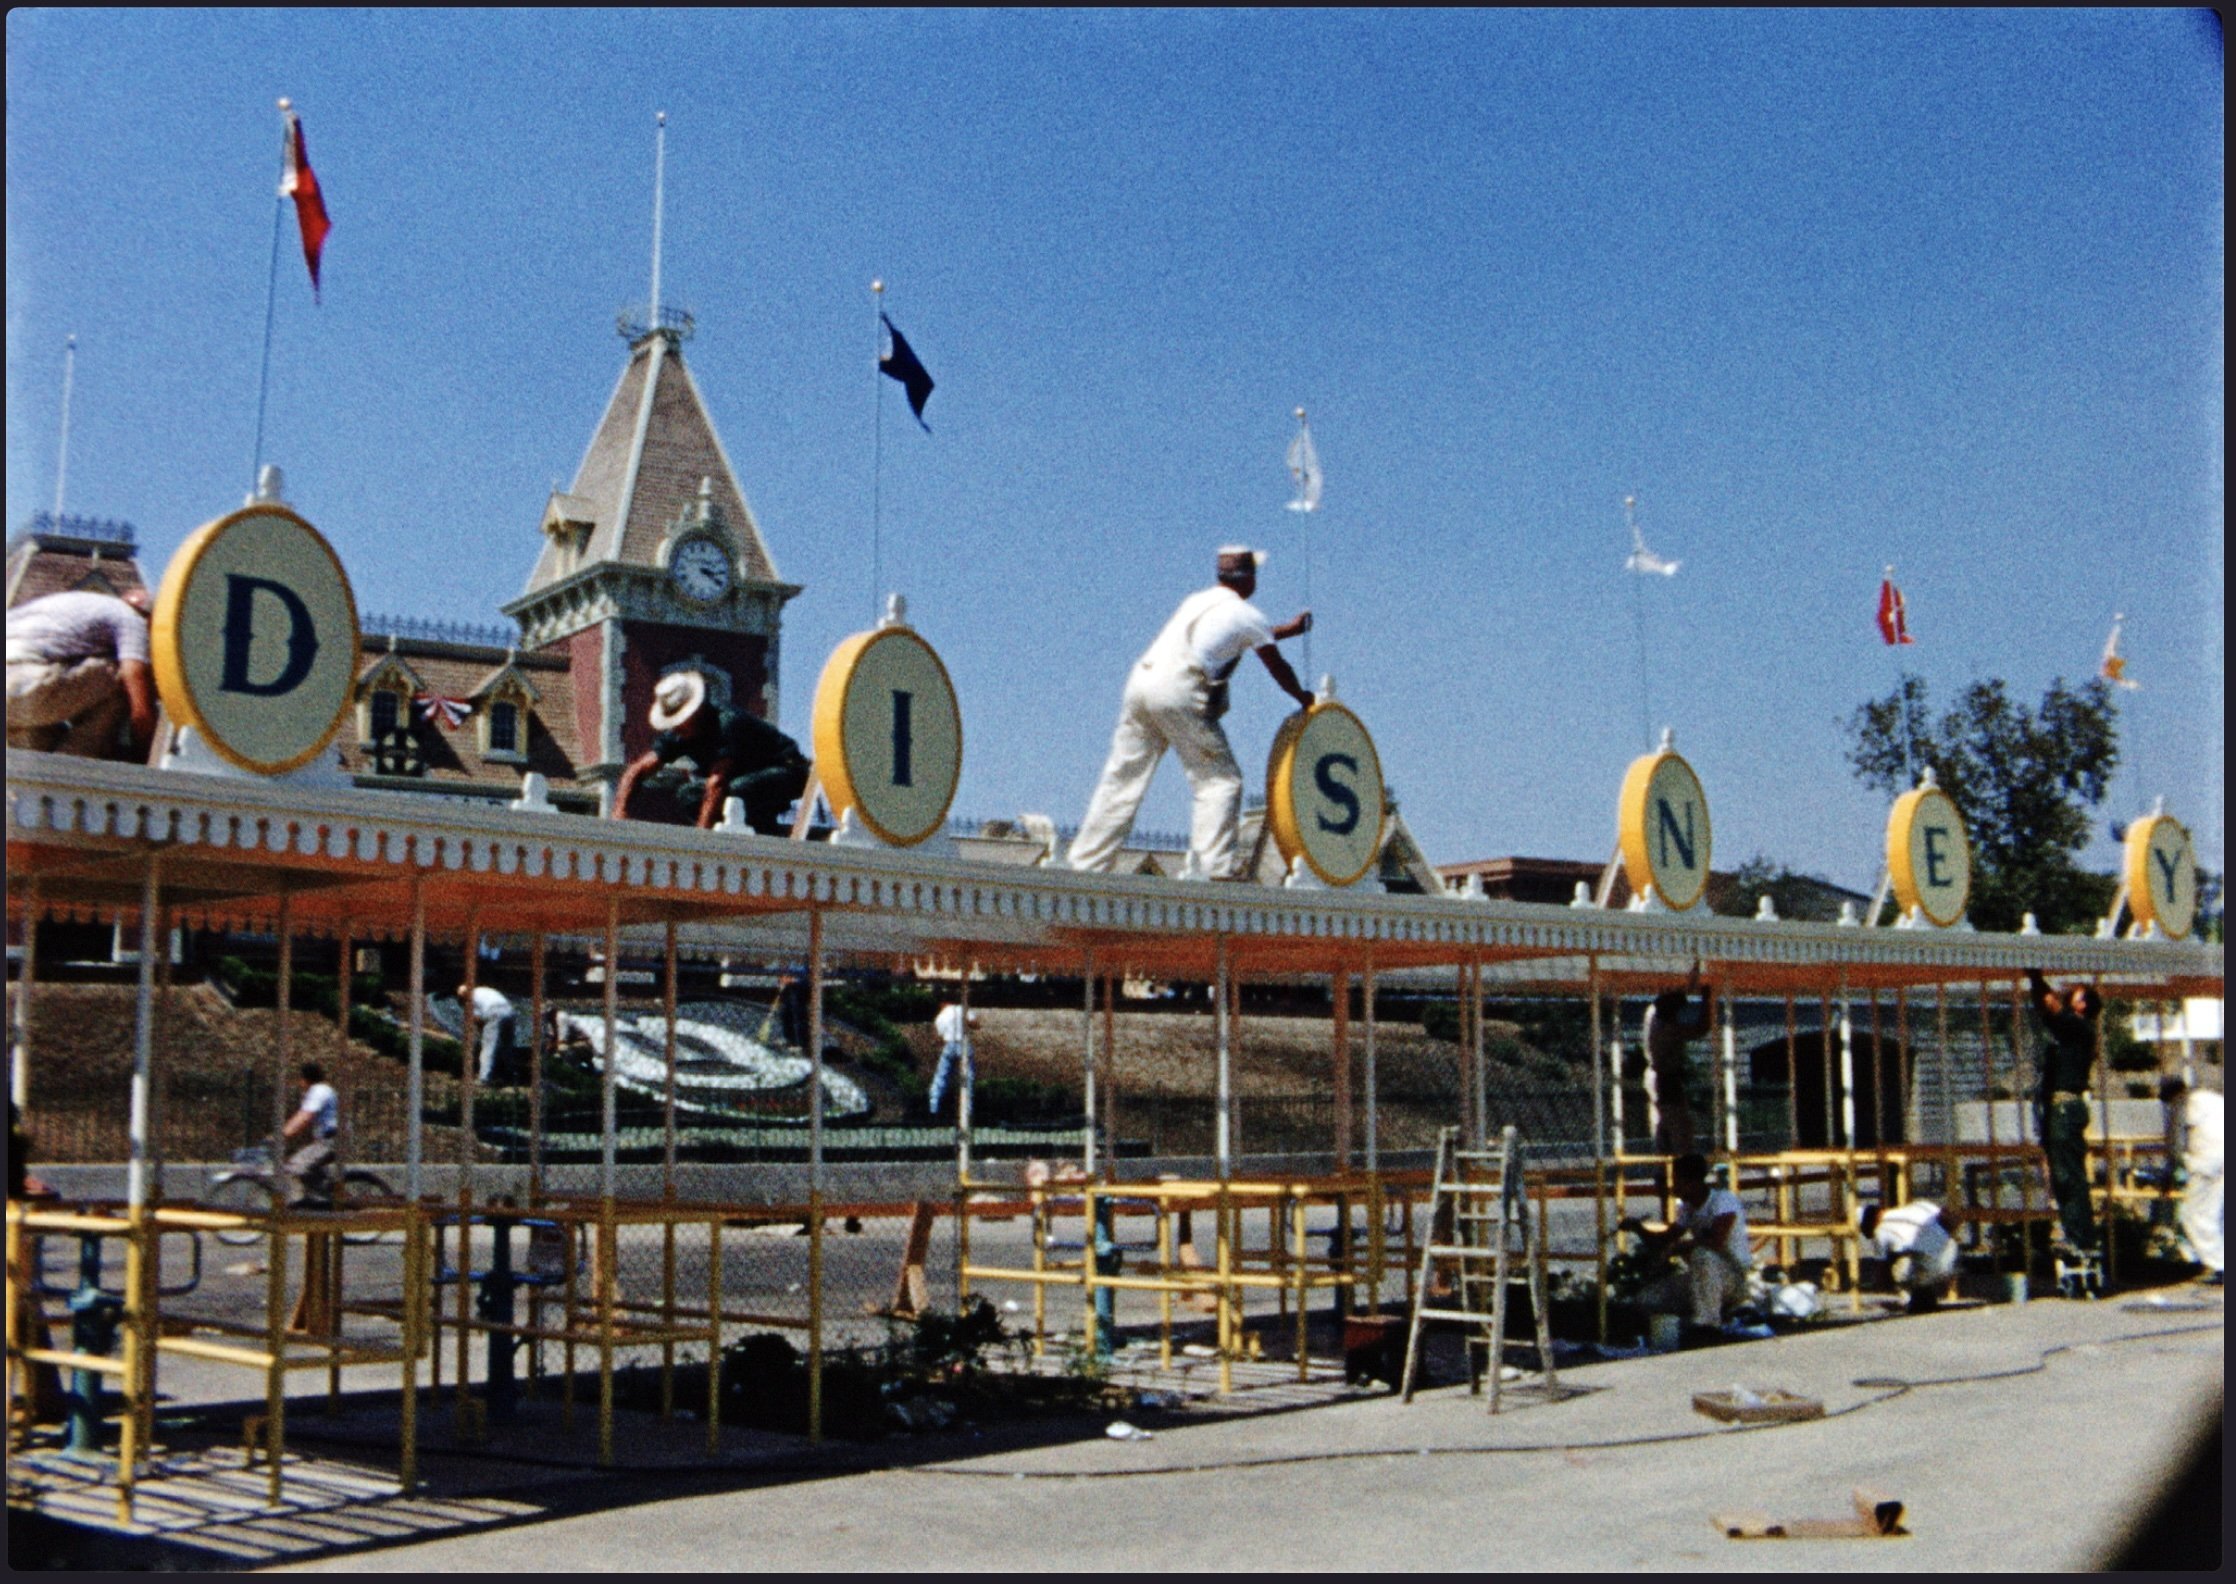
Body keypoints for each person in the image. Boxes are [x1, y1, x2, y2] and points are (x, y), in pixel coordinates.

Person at [1068, 546, 1313, 880]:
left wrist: (1289, 629)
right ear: (1250, 578)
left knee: (1122, 777)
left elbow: (1242, 636)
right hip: (1179, 689)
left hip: (1143, 682)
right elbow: (1275, 664)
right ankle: (1213, 869)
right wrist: (1302, 696)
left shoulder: (1197, 601)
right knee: (1219, 781)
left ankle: (1086, 864)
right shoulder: (1247, 615)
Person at [613, 670, 811, 833]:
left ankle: (764, 831)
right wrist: (620, 811)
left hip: (786, 770)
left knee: (736, 792)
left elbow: (717, 782)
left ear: (696, 711)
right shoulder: (680, 734)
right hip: (742, 778)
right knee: (689, 794)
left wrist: (702, 835)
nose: (675, 728)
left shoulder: (726, 722)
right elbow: (637, 770)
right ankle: (741, 827)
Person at [5, 586, 158, 760]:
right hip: (22, 683)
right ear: (150, 618)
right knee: (121, 677)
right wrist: (145, 750)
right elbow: (135, 682)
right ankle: (75, 766)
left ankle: (43, 779)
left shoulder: (82, 603)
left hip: (17, 693)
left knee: (46, 746)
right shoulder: (130, 618)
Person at [1623, 1152, 1753, 1335]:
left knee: (1703, 1255)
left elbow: (1716, 1241)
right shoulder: (1688, 1209)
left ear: (1692, 1182)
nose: (1673, 1187)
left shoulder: (1723, 1200)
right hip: (1703, 1278)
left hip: (1734, 1276)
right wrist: (1638, 1228)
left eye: (1677, 1181)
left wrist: (1679, 1248)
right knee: (1647, 1299)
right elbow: (1663, 1240)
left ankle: (1707, 1326)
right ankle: (1695, 1319)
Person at [2028, 969, 2103, 1255]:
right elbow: (2045, 1006)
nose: (2071, 993)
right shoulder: (2069, 1029)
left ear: (2083, 1006)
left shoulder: (2080, 1027)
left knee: (2069, 1175)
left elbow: (2052, 1006)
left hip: (2065, 1108)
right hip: (2057, 1108)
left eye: (2078, 994)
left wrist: (2035, 976)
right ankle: (2075, 1233)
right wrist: (2035, 983)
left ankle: (2082, 1238)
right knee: (2061, 1176)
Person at [1643, 965, 1715, 1156]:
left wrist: (1691, 980)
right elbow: (1701, 1028)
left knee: (1666, 1128)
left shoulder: (1654, 1019)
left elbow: (1677, 996)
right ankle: (1681, 1170)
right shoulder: (1667, 1028)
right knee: (1679, 1131)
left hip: (1661, 1079)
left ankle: (1669, 1167)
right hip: (1667, 1080)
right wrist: (1707, 1000)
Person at [2159, 1075, 2224, 1285]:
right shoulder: (2210, 1097)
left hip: (2208, 1163)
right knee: (2217, 1213)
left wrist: (2168, 1174)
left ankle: (2218, 1264)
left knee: (2193, 1214)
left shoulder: (2182, 1106)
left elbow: (2175, 1146)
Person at [1860, 1199, 1962, 1312]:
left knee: (1900, 1268)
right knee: (1918, 1259)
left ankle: (1912, 1301)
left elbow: (1882, 1268)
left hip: (1936, 1264)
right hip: (1952, 1253)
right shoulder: (1916, 1206)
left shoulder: (1880, 1231)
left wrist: (1880, 1284)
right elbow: (1950, 1218)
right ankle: (1926, 1298)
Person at [281, 1060, 341, 1208]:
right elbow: (302, 1116)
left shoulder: (318, 1090)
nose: (299, 1083)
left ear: (306, 1079)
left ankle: (316, 1204)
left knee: (296, 1165)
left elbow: (305, 1116)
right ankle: (320, 1201)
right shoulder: (323, 1090)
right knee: (311, 1169)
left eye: (300, 1079)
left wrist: (283, 1133)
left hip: (331, 1139)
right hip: (330, 1139)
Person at [928, 1001, 981, 1117]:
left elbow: (940, 1035)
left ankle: (933, 1107)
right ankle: (967, 1111)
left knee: (941, 1076)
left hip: (950, 1044)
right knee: (967, 1078)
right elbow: (976, 1025)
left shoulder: (941, 1016)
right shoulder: (963, 1009)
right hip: (964, 1044)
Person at [459, 981, 516, 1085]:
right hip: (509, 1011)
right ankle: (510, 1075)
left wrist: (483, 1035)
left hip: (494, 1012)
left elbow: (478, 1020)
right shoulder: (482, 990)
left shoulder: (470, 998)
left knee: (488, 1047)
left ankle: (484, 1078)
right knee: (507, 1046)